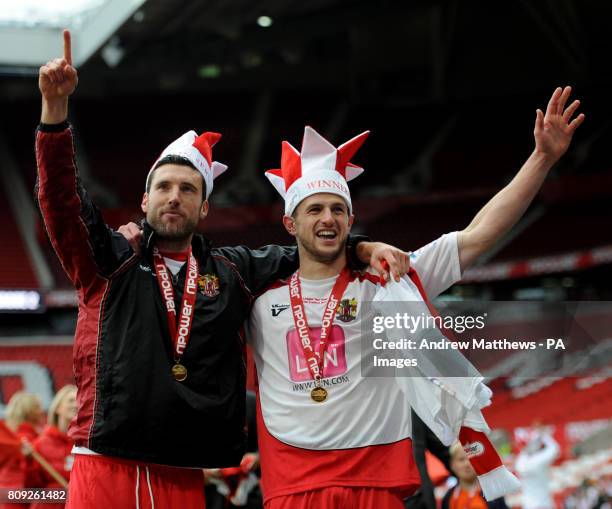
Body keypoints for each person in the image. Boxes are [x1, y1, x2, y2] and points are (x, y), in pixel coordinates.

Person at [35, 30, 406, 509]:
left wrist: (361, 246)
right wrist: (54, 113)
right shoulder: (109, 258)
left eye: (188, 189)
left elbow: (308, 247)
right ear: (145, 199)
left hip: (186, 470)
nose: (174, 197)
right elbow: (61, 203)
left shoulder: (232, 271)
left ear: (204, 208)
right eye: (164, 187)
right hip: (104, 458)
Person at [246, 87, 583, 509]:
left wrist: (543, 158)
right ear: (289, 223)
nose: (327, 218)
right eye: (313, 210)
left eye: (337, 209)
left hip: (377, 487)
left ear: (351, 220)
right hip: (291, 491)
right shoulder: (257, 302)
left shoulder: (391, 281)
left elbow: (477, 237)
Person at [29, 385, 77, 509]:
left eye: (79, 400)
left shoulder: (86, 443)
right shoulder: (40, 443)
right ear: (58, 408)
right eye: (71, 400)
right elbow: (30, 484)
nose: (76, 404)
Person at [0, 391, 44, 507]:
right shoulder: (28, 438)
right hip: (21, 493)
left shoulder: (12, 437)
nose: (41, 411)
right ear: (29, 411)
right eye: (37, 407)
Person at [441, 442, 508, 509]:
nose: (467, 464)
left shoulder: (494, 495)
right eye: (461, 459)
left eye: (471, 459)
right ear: (452, 465)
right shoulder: (448, 497)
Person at [514, 431, 560, 509]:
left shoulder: (520, 462)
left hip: (529, 505)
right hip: (544, 504)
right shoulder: (539, 460)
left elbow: (524, 452)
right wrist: (543, 435)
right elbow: (554, 448)